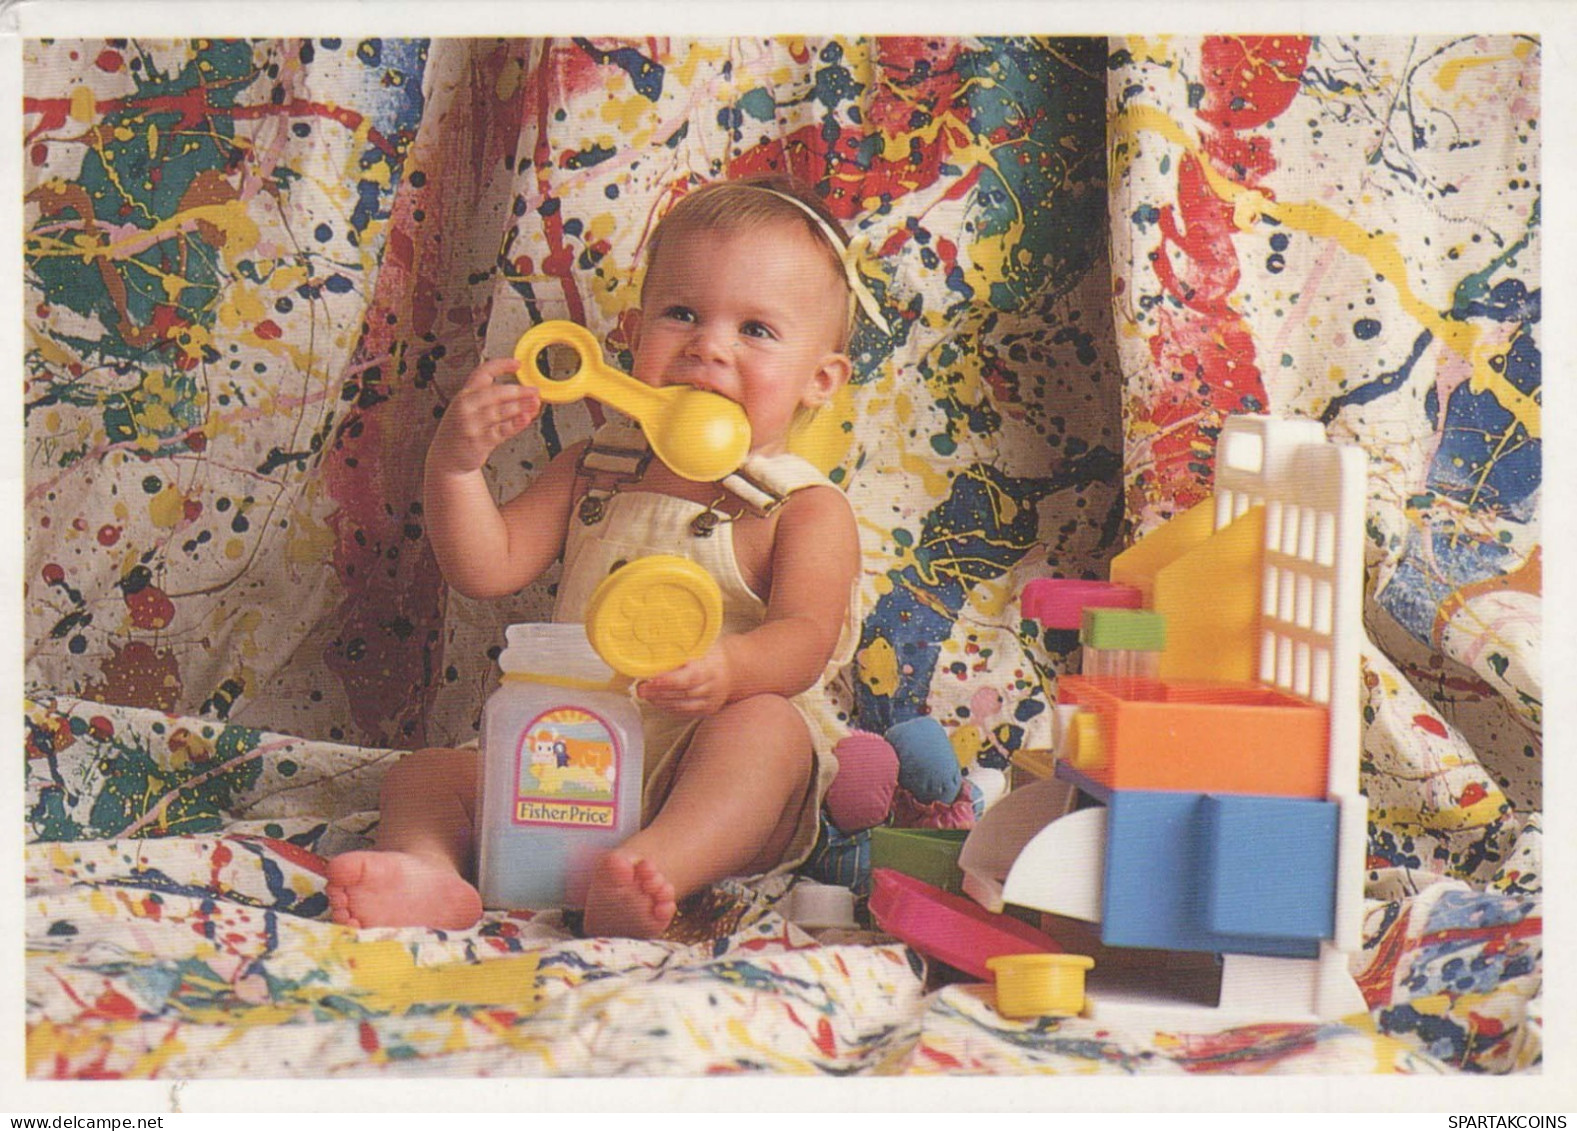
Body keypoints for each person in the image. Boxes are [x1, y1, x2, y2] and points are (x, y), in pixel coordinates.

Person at [325, 175, 883, 938]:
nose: (708, 346)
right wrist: (454, 467)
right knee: (424, 775)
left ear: (819, 380)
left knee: (768, 732)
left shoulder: (800, 508)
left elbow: (805, 638)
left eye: (756, 330)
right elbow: (486, 568)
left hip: (710, 761)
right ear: (633, 335)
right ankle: (429, 873)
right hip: (568, 761)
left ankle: (654, 868)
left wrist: (732, 671)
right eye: (681, 314)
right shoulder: (598, 468)